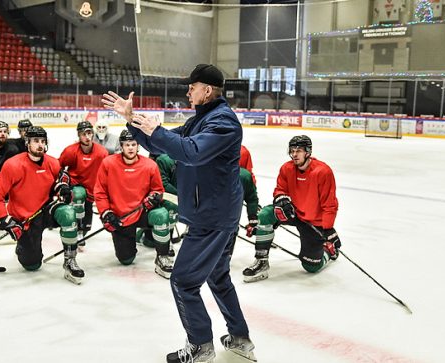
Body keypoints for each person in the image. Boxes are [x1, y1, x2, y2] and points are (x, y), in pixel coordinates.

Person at [102, 63, 255, 363]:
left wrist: (155, 130)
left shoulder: (222, 122)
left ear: (207, 90)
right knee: (218, 277)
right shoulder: (204, 119)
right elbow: (164, 146)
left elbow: (190, 152)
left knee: (183, 281)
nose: (188, 91)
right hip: (215, 212)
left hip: (211, 217)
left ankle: (201, 346)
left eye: (192, 86)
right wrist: (132, 121)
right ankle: (240, 339)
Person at [0, 126, 82, 283]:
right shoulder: (13, 165)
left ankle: (70, 261)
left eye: (43, 141)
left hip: (47, 209)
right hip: (26, 218)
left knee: (68, 214)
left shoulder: (52, 162)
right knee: (32, 265)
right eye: (35, 141)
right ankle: (23, 247)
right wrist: (6, 220)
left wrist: (63, 188)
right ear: (27, 143)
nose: (40, 145)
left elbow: (62, 178)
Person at [243, 135, 340, 282]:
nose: (294, 154)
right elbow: (279, 189)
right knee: (266, 214)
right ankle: (261, 262)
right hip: (292, 212)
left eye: (298, 150)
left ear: (308, 152)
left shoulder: (322, 172)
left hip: (312, 221)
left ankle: (329, 252)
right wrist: (281, 198)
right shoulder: (286, 168)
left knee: (311, 266)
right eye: (292, 150)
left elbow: (329, 204)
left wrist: (328, 228)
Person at [93, 130, 174, 278]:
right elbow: (100, 192)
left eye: (134, 144)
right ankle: (138, 237)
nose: (130, 148)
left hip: (143, 211)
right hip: (121, 216)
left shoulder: (150, 165)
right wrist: (106, 213)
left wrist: (154, 197)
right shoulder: (108, 163)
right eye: (127, 145)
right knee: (126, 260)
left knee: (161, 214)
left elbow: (157, 189)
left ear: (138, 146)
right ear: (121, 146)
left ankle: (162, 256)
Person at [58, 121, 109, 240]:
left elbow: (107, 172)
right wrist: (61, 183)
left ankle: (82, 229)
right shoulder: (70, 151)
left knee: (87, 219)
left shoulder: (102, 153)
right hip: (75, 185)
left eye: (89, 133)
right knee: (78, 195)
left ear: (93, 134)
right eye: (83, 134)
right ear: (79, 135)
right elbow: (58, 166)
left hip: (92, 187)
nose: (87, 137)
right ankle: (74, 225)